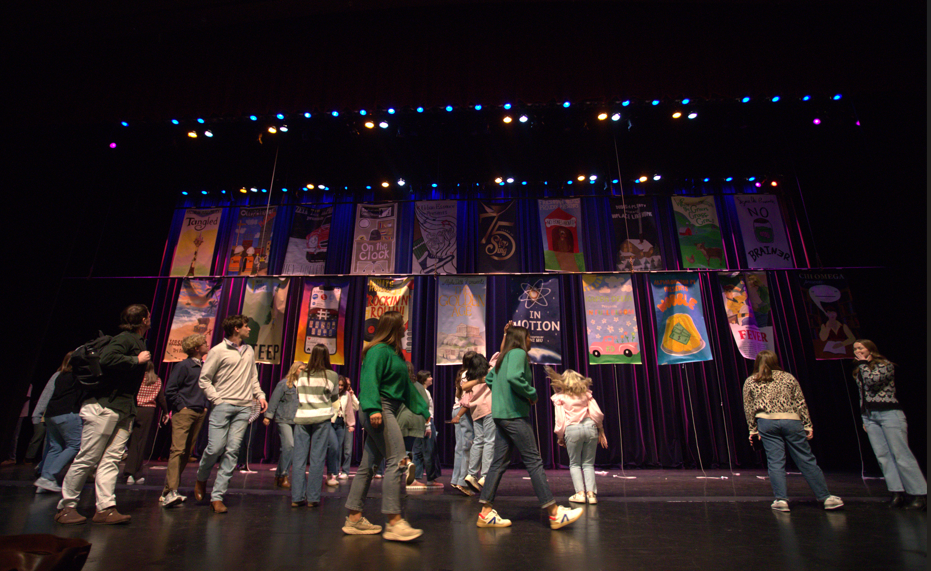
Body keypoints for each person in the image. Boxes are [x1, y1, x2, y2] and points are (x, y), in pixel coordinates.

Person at [476, 323, 583, 530]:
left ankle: (485, 513)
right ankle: (554, 513)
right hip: (514, 415)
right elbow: (514, 378)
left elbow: (490, 379)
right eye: (528, 337)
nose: (530, 340)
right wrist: (531, 394)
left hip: (501, 415)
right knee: (533, 461)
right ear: (520, 339)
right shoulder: (517, 353)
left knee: (497, 464)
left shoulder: (502, 357)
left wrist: (502, 393)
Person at [55, 304, 152, 525]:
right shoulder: (125, 338)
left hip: (123, 408)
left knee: (111, 459)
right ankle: (66, 506)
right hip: (104, 407)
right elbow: (107, 358)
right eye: (148, 316)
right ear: (144, 320)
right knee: (88, 457)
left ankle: (105, 507)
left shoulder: (135, 341)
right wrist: (135, 360)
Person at [343, 311, 429, 541]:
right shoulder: (378, 351)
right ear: (394, 327)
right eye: (402, 326)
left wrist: (422, 408)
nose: (405, 330)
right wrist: (372, 408)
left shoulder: (395, 354)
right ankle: (394, 522)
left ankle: (354, 517)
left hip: (387, 408)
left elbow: (407, 387)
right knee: (398, 460)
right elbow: (369, 379)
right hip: (379, 408)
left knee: (368, 465)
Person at [743, 350, 844, 512]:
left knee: (775, 461)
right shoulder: (788, 377)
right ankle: (825, 497)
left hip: (766, 422)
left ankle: (781, 500)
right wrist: (807, 424)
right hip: (791, 420)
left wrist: (752, 430)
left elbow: (749, 408)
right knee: (806, 459)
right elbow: (800, 401)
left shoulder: (751, 381)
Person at [195, 314, 268, 514]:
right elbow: (205, 379)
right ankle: (201, 478)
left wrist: (259, 394)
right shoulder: (218, 351)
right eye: (246, 326)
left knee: (233, 451)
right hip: (223, 405)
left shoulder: (249, 350)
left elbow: (253, 376)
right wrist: (217, 400)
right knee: (215, 447)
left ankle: (217, 496)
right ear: (236, 328)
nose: (249, 329)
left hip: (244, 407)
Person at [852, 340, 926, 510]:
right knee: (883, 456)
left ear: (870, 349)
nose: (857, 351)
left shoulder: (885, 365)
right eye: (855, 349)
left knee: (901, 454)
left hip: (889, 414)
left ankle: (919, 494)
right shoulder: (859, 370)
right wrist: (864, 417)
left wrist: (863, 363)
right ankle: (896, 493)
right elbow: (862, 395)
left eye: (860, 348)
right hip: (870, 416)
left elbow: (873, 381)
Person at [546, 366, 607, 504]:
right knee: (588, 464)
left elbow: (560, 419)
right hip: (590, 427)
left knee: (574, 464)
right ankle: (591, 495)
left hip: (572, 430)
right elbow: (596, 413)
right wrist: (601, 430)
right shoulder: (586, 395)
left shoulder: (560, 398)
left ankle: (580, 494)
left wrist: (560, 436)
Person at [161, 334, 210, 507]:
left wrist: (204, 405)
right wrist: (182, 406)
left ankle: (168, 490)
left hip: (199, 412)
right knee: (178, 450)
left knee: (186, 452)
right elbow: (170, 390)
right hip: (185, 412)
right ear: (196, 348)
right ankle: (170, 491)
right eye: (204, 343)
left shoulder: (204, 367)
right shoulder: (184, 365)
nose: (207, 345)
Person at [290, 344, 339, 507]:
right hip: (321, 419)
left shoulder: (302, 374)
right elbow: (334, 398)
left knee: (299, 458)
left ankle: (297, 498)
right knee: (317, 459)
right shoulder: (331, 375)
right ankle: (312, 498)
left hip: (302, 418)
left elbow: (298, 394)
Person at [34, 352, 83, 494]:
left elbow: (47, 395)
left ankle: (45, 480)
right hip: (67, 413)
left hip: (51, 414)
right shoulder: (77, 377)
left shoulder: (58, 375)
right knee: (76, 444)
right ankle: (48, 476)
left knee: (55, 447)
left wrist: (38, 414)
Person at [122, 362, 169, 485]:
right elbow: (161, 398)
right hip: (147, 411)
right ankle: (134, 474)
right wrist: (165, 412)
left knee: (130, 442)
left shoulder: (137, 378)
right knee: (140, 443)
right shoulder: (157, 380)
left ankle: (131, 473)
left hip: (134, 408)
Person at [264, 361, 303, 490]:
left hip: (297, 420)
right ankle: (284, 475)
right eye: (300, 369)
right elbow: (274, 400)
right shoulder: (284, 384)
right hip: (284, 419)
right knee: (289, 445)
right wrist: (268, 416)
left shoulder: (303, 386)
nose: (302, 372)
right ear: (295, 370)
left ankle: (278, 475)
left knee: (288, 449)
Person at [462, 353, 494, 492]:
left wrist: (477, 380)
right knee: (489, 441)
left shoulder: (469, 376)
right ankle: (485, 475)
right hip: (488, 409)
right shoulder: (489, 372)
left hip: (476, 411)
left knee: (478, 441)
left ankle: (471, 474)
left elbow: (463, 387)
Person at [397, 363, 429, 489]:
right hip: (417, 420)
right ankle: (408, 474)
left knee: (400, 449)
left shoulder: (399, 385)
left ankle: (400, 473)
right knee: (409, 449)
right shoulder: (419, 387)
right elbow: (425, 403)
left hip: (402, 419)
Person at [448, 352, 475, 496]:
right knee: (467, 447)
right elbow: (468, 396)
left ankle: (456, 478)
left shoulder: (462, 372)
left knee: (460, 447)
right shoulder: (469, 375)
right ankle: (462, 482)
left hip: (457, 409)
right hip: (463, 411)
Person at [411, 370, 442, 488]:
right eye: (429, 377)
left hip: (420, 423)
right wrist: (428, 425)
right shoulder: (423, 392)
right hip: (426, 423)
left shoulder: (421, 391)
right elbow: (425, 410)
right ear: (424, 379)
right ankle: (431, 479)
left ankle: (414, 478)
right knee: (430, 450)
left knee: (417, 451)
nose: (432, 378)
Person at [333, 375, 359, 479]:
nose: (341, 387)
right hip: (333, 421)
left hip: (344, 422)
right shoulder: (333, 393)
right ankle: (334, 470)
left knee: (347, 449)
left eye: (344, 385)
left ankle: (345, 471)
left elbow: (355, 407)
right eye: (339, 385)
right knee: (335, 448)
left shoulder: (348, 395)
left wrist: (352, 396)